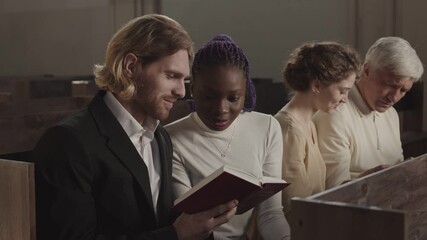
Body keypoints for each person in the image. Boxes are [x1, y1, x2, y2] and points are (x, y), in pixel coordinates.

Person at [32, 14, 238, 240]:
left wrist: (203, 222)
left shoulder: (160, 137)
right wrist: (176, 234)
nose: (181, 92)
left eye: (184, 80)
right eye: (171, 76)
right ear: (131, 67)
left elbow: (155, 222)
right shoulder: (68, 141)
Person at [165, 34, 291, 239]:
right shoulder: (170, 139)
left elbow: (270, 214)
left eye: (233, 98)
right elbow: (190, 223)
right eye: (209, 97)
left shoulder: (266, 127)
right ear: (193, 89)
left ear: (245, 93)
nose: (221, 109)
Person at [313, 36, 424, 189]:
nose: (394, 97)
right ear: (367, 70)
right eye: (390, 84)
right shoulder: (335, 113)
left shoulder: (391, 114)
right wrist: (369, 181)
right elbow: (333, 189)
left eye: (404, 90)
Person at [275, 42, 360, 215]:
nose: (345, 99)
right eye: (343, 91)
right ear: (316, 86)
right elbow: (293, 208)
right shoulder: (290, 129)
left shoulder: (310, 123)